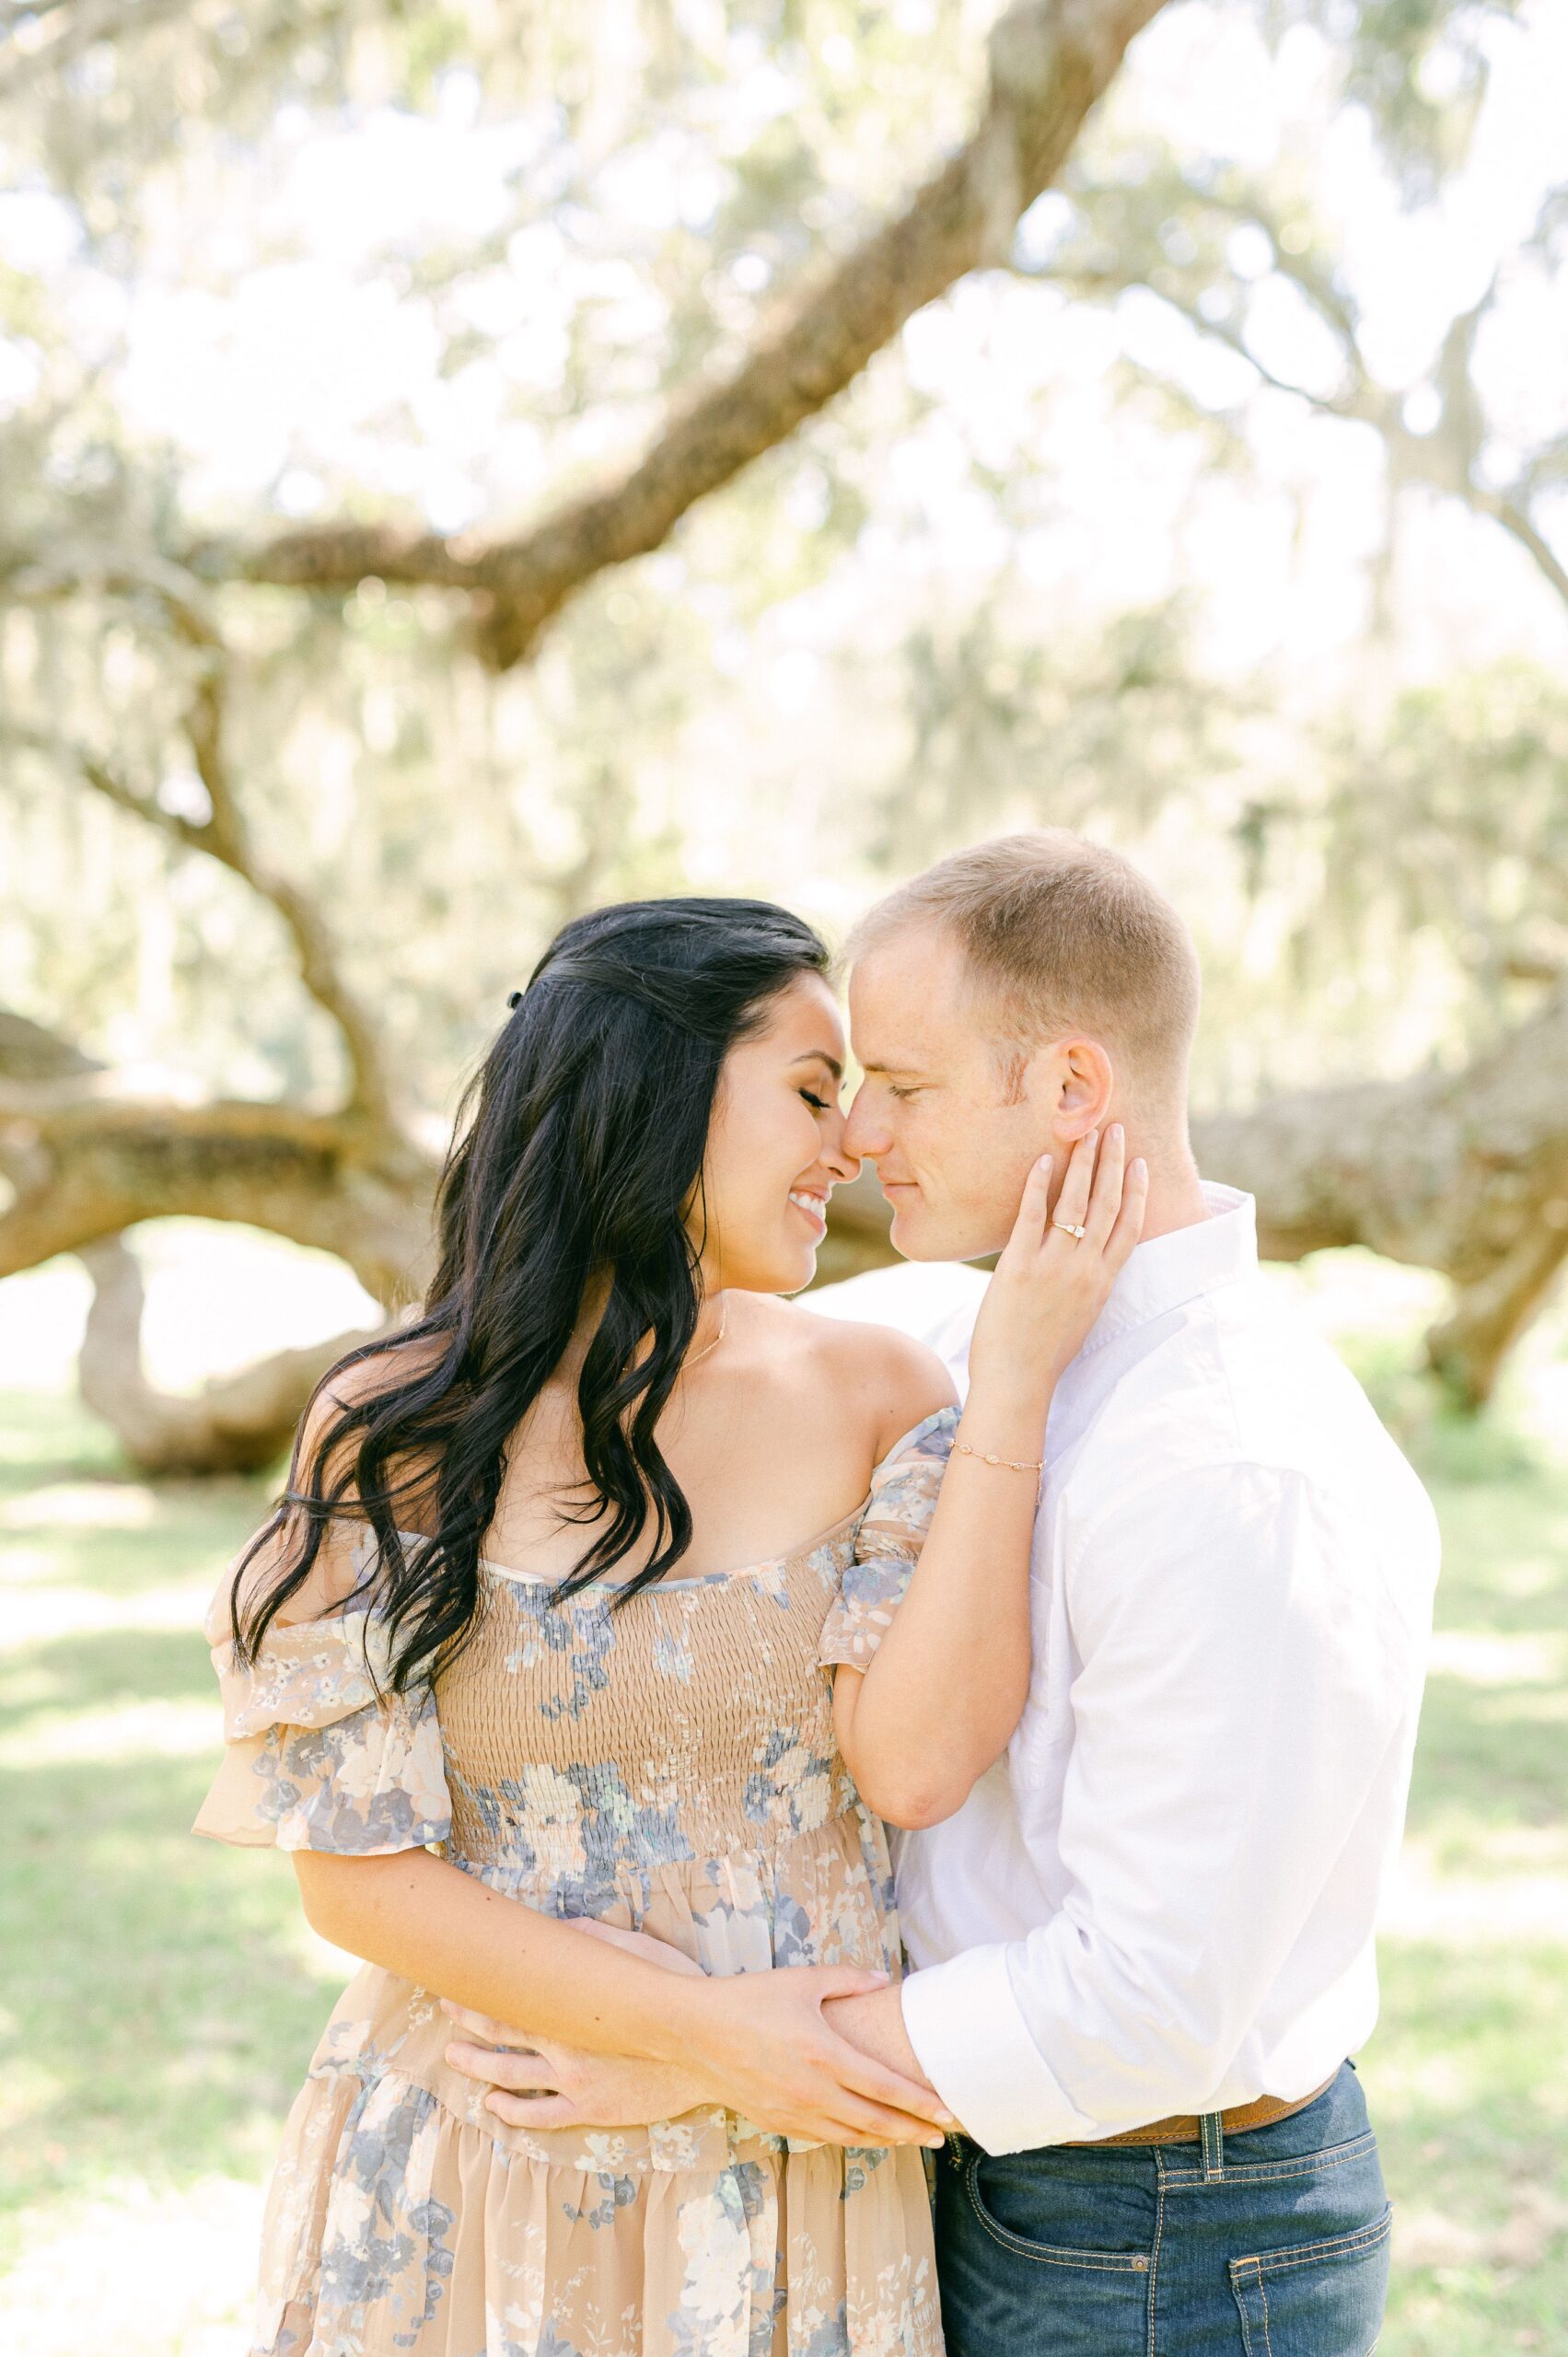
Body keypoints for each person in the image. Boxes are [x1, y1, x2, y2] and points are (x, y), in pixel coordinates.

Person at [454, 836, 1438, 2357]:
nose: (856, 1132)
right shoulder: (972, 1328)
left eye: (901, 1085)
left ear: (1069, 1092)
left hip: (1163, 2228)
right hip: (958, 2175)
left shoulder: (1241, 1473)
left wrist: (714, 2058)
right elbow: (651, 1335)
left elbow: (1150, 2006)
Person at [194, 894, 1143, 2357]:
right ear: (655, 1086)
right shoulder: (392, 1426)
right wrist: (706, 2041)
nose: (857, 1146)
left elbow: (922, 1769)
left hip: (790, 2176)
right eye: (816, 1092)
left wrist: (1011, 1386)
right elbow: (355, 1882)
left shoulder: (886, 1395)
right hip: (483, 2148)